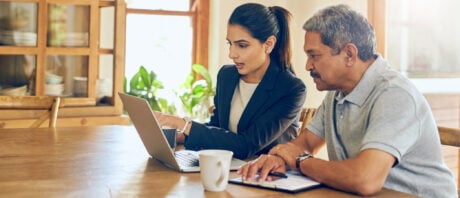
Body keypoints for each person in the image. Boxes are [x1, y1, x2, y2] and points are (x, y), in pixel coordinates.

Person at [237, 4, 457, 197]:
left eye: (314, 55)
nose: (308, 66)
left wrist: (300, 161)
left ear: (349, 55)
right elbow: (304, 143)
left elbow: (365, 179)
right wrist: (279, 157)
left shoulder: (395, 96)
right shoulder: (337, 92)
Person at [154, 3, 307, 160]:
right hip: (228, 168)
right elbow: (217, 128)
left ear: (268, 44)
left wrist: (184, 124)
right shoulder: (227, 76)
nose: (232, 54)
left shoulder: (291, 89)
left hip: (267, 178)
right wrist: (182, 135)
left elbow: (247, 145)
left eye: (242, 45)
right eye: (230, 43)